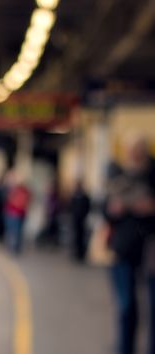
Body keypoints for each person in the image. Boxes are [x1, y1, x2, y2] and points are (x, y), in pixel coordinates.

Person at [104, 134, 155, 354]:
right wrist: (114, 210)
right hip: (124, 246)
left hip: (150, 246)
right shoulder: (118, 174)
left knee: (152, 307)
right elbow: (107, 210)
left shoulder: (153, 175)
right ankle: (125, 347)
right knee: (126, 305)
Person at [4, 171, 31, 255]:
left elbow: (25, 201)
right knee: (13, 231)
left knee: (17, 231)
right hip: (12, 212)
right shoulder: (13, 189)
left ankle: (15, 247)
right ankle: (13, 246)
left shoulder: (23, 190)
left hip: (18, 213)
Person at [70, 180, 91, 263]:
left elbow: (87, 207)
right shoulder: (74, 196)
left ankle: (81, 253)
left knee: (82, 236)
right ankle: (76, 252)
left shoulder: (85, 197)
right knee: (75, 236)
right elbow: (71, 206)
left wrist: (84, 215)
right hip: (75, 219)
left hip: (82, 219)